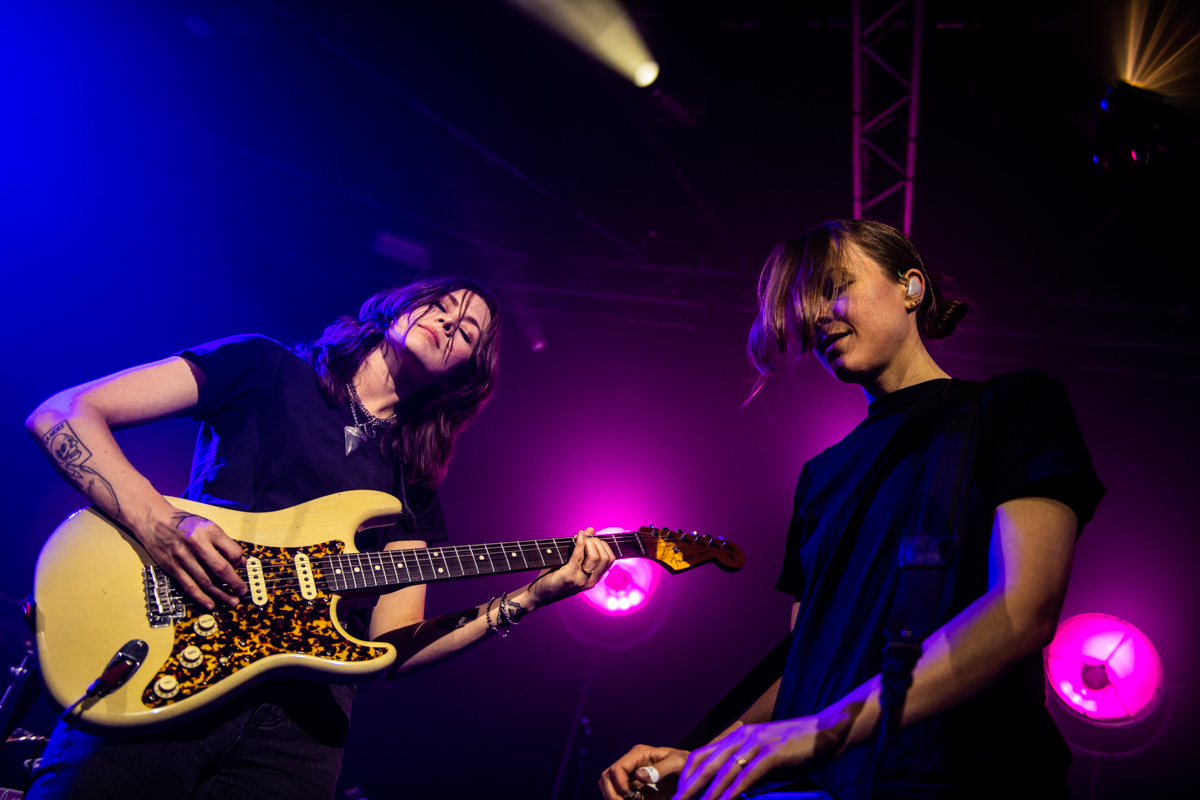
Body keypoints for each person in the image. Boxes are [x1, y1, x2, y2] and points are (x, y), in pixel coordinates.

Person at [25, 276, 615, 799]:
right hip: (175, 652)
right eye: (443, 304)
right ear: (400, 306)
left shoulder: (414, 486)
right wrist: (162, 520)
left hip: (299, 735)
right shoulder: (265, 367)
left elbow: (397, 643)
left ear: (466, 373)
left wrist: (530, 598)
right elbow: (65, 412)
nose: (450, 322)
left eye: (468, 332)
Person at [600, 220, 1105, 800]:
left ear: (911, 288)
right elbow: (806, 664)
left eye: (835, 287)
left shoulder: (1012, 406)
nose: (817, 315)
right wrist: (706, 757)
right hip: (821, 784)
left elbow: (1023, 609)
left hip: (956, 774)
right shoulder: (819, 476)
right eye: (804, 305)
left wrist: (817, 732)